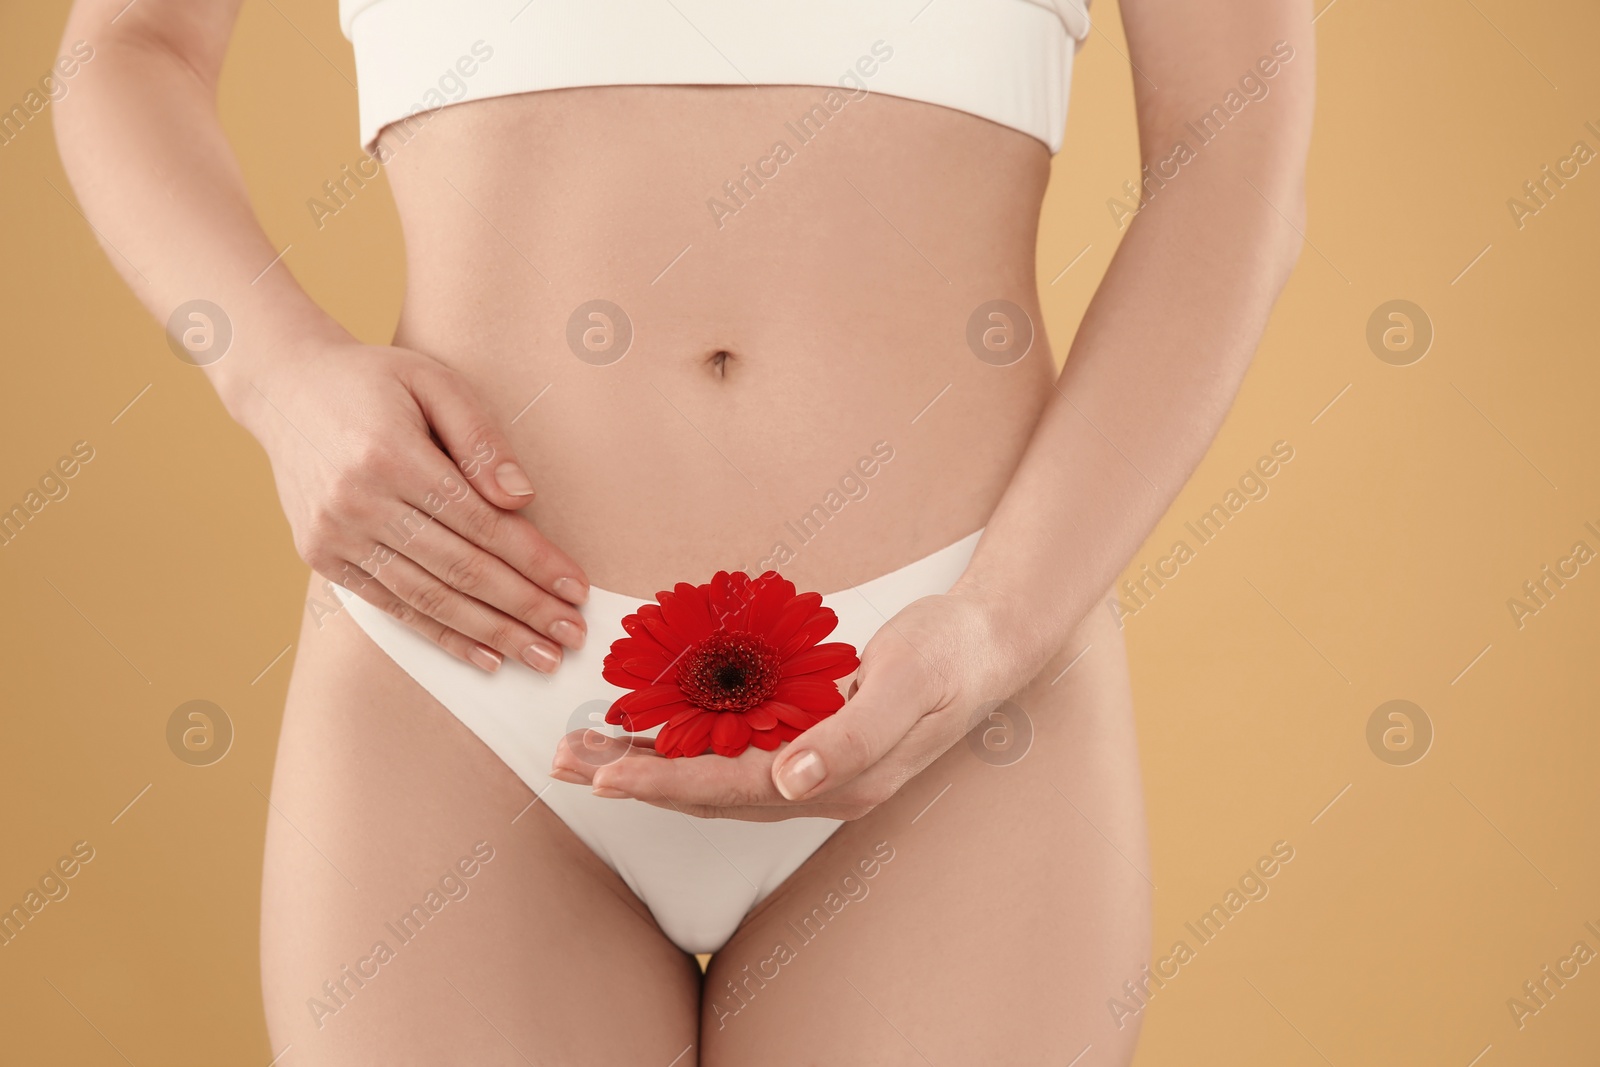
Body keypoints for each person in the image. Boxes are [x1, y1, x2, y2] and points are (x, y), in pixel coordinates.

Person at [54, 0, 1313, 1062]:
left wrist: (999, 627)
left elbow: (1235, 136)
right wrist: (274, 374)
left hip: (961, 651)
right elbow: (130, 44)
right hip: (462, 658)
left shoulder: (984, 638)